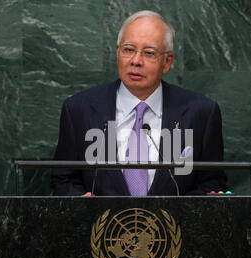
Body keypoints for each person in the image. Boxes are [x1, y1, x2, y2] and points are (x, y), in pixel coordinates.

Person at [51, 10, 227, 196]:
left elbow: (213, 184)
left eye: (149, 53)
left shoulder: (201, 113)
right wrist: (80, 201)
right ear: (117, 52)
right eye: (128, 50)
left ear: (167, 62)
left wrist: (180, 210)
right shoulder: (79, 109)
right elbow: (63, 179)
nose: (136, 61)